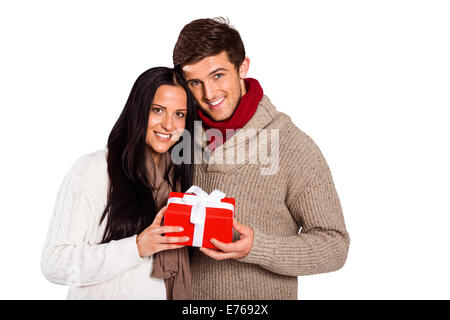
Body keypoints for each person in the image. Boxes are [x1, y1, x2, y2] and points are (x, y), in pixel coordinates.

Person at [172, 17, 351, 299]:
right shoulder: (176, 137)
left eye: (218, 75)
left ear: (242, 67)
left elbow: (335, 246)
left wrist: (258, 247)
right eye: (195, 82)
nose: (209, 94)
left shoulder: (292, 146)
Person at [41, 67, 196, 299]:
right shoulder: (93, 171)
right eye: (157, 110)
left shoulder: (179, 182)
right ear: (137, 110)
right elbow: (54, 264)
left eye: (179, 114)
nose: (168, 125)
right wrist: (136, 248)